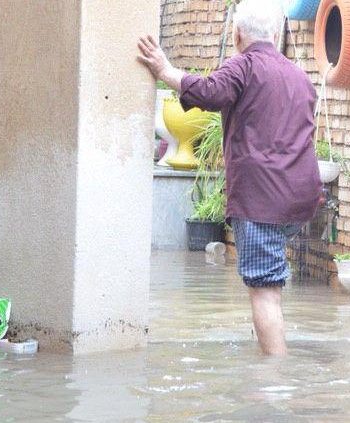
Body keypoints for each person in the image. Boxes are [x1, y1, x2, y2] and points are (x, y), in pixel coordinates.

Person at [137, 0, 321, 356]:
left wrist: (165, 70)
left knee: (264, 289)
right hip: (302, 201)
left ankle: (272, 383)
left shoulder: (244, 65)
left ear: (237, 35)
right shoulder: (299, 76)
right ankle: (268, 350)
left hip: (262, 200)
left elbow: (207, 92)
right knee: (270, 281)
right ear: (276, 33)